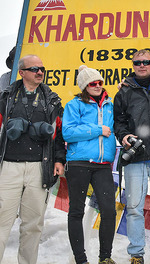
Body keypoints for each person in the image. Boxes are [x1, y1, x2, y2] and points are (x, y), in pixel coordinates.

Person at [0, 54, 65, 264]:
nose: (40, 73)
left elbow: (59, 134)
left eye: (42, 69)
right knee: (2, 222)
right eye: (34, 69)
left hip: (39, 167)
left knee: (33, 224)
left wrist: (59, 160)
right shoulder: (5, 98)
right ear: (21, 72)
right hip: (8, 167)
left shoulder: (52, 100)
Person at [114, 50, 150, 264]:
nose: (142, 65)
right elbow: (118, 122)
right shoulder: (124, 91)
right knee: (134, 208)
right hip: (135, 158)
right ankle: (136, 254)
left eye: (146, 61)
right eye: (138, 62)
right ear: (133, 64)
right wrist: (124, 135)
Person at [62, 65, 117, 264]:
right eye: (92, 83)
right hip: (78, 163)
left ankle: (105, 257)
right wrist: (97, 130)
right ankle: (80, 259)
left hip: (103, 164)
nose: (97, 86)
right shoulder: (74, 105)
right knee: (76, 210)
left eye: (99, 82)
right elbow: (68, 132)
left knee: (109, 210)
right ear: (84, 86)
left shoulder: (110, 105)